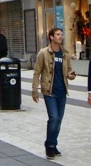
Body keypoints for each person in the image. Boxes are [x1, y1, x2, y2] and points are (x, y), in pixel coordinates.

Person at [32, 27, 76, 160]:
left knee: (58, 121)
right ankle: (49, 145)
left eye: (61, 35)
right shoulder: (43, 53)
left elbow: (68, 71)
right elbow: (37, 72)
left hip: (62, 91)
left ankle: (53, 144)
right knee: (54, 118)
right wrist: (35, 90)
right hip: (49, 91)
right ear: (51, 37)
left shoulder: (65, 53)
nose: (60, 37)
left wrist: (71, 75)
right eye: (58, 34)